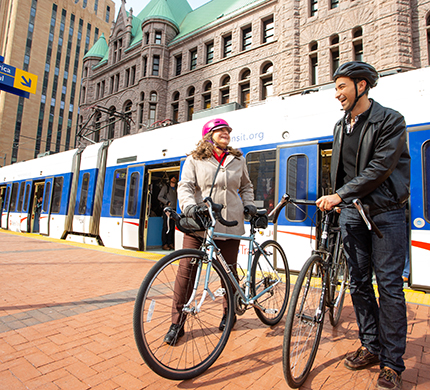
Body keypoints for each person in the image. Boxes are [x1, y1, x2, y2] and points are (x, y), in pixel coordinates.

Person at [316, 61, 410, 390]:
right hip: (353, 214)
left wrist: (339, 195)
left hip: (386, 213)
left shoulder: (391, 120)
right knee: (357, 283)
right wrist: (340, 202)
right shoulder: (341, 126)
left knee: (389, 287)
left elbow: (380, 168)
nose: (337, 94)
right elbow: (340, 173)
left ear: (362, 86)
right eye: (336, 87)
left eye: (342, 86)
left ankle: (392, 364)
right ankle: (371, 345)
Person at [164, 118, 256, 345]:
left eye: (228, 130)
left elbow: (246, 186)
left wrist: (249, 203)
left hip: (230, 223)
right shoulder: (194, 159)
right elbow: (185, 186)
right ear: (209, 135)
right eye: (220, 130)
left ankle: (229, 313)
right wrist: (189, 207)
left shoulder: (238, 159)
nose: (226, 132)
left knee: (229, 272)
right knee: (186, 272)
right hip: (201, 223)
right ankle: (177, 322)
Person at [158, 175, 178, 250]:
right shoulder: (166, 188)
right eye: (172, 177)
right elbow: (160, 197)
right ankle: (165, 244)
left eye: (175, 178)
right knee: (166, 227)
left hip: (174, 210)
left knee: (172, 227)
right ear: (170, 179)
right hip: (167, 210)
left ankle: (170, 243)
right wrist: (167, 202)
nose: (174, 179)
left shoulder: (176, 188)